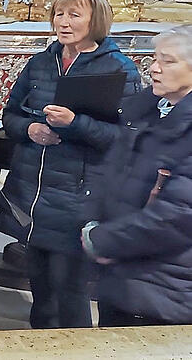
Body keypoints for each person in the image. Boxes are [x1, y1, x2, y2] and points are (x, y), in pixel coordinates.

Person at [1, 0, 141, 329]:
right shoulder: (40, 62)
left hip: (77, 201)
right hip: (32, 196)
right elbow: (10, 115)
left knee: (69, 297)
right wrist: (30, 130)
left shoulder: (117, 69)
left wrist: (75, 124)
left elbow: (127, 138)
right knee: (41, 294)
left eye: (74, 14)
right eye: (59, 14)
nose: (64, 22)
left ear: (95, 19)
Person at [81, 24, 192, 326]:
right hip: (123, 278)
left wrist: (104, 241)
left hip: (166, 288)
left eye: (168, 61)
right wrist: (93, 222)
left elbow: (179, 215)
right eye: (155, 58)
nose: (154, 68)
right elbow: (110, 174)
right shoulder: (146, 112)